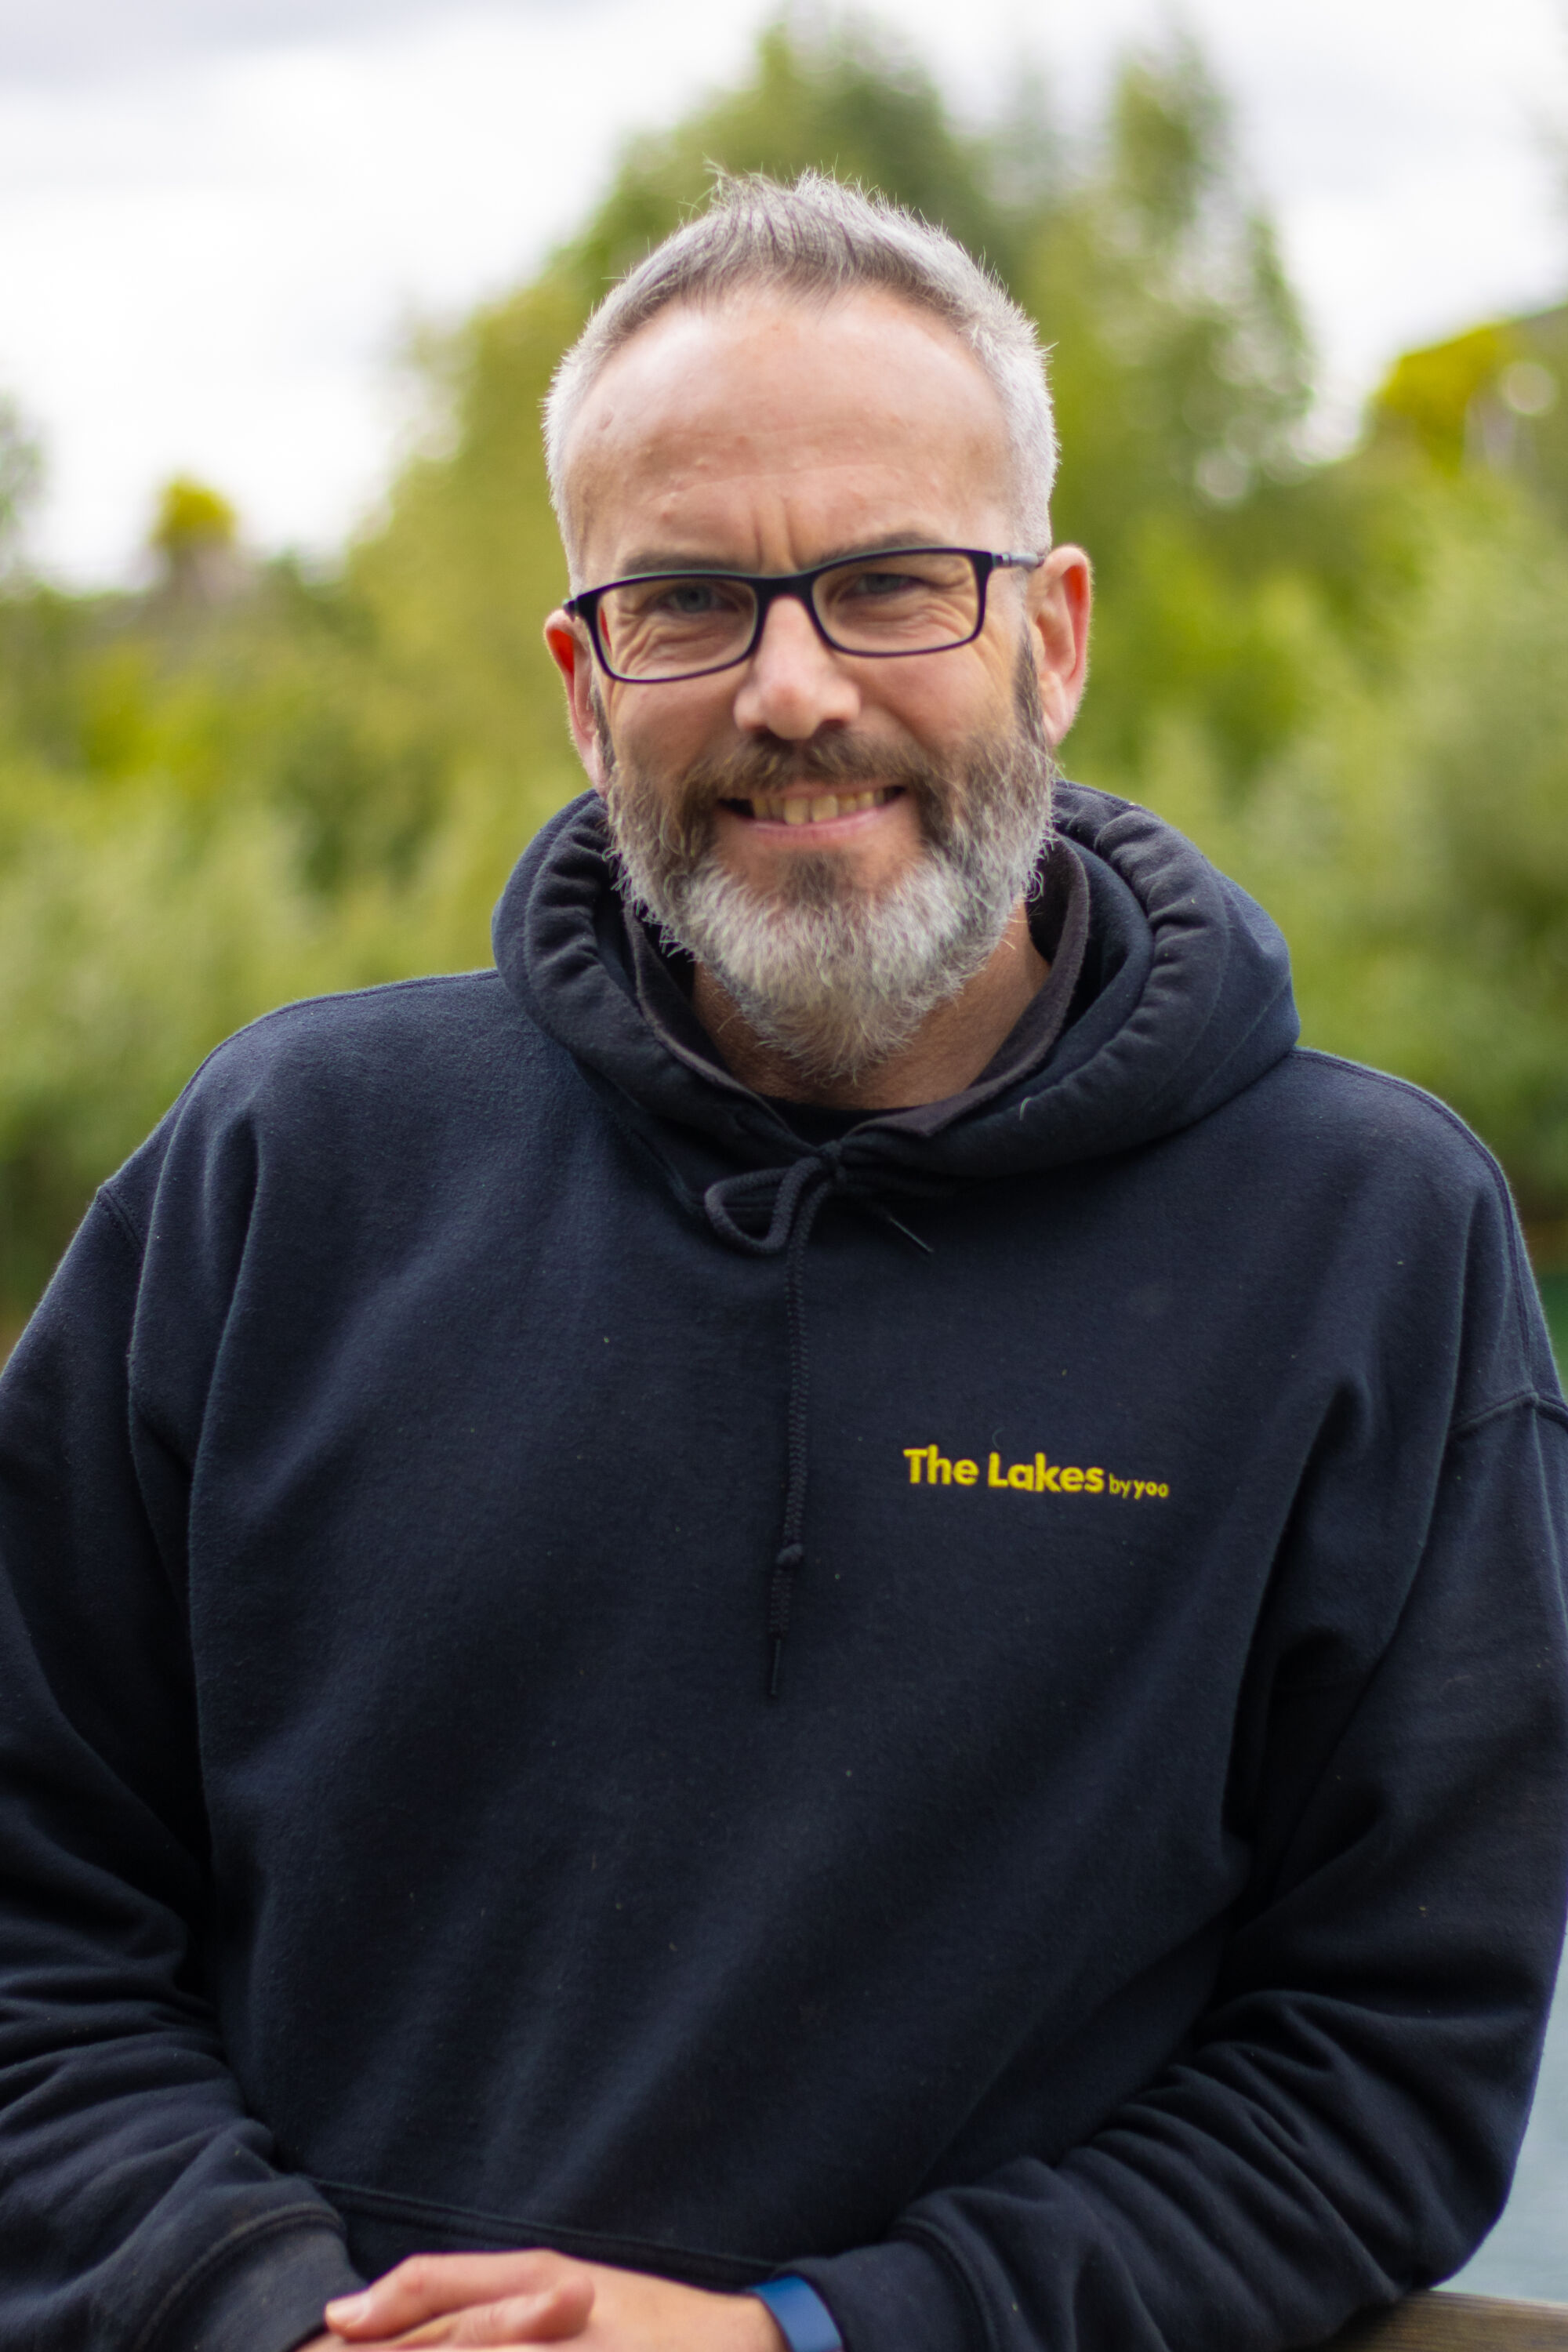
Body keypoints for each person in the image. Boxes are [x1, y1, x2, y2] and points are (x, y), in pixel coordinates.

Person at [0, 172, 1565, 2352]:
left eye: (894, 584)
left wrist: (809, 2341)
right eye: (690, 602)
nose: (795, 688)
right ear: (584, 682)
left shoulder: (1367, 1248)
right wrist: (266, 2317)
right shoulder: (281, 1176)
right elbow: (32, 1917)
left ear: (1055, 637)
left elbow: (1374, 2081)